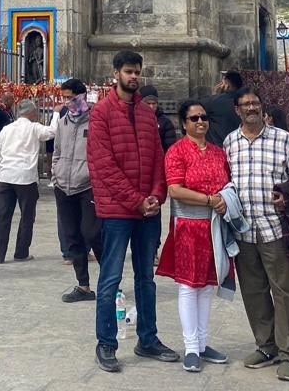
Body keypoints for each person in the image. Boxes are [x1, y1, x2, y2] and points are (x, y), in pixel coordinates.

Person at [87, 50, 176, 373]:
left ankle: (148, 339)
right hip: (117, 211)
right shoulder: (100, 114)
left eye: (137, 71)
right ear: (116, 74)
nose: (134, 76)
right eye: (128, 71)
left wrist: (155, 195)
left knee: (146, 279)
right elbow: (103, 166)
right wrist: (135, 199)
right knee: (110, 278)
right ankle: (106, 343)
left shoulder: (146, 114)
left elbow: (157, 158)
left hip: (146, 211)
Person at [223, 86, 289, 381]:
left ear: (262, 107)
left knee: (284, 291)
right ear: (237, 110)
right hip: (244, 231)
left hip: (275, 227)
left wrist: (286, 195)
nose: (251, 108)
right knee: (254, 291)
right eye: (245, 104)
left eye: (255, 103)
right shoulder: (230, 142)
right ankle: (266, 346)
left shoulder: (282, 139)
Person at [156, 100, 231, 373]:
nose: (200, 122)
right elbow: (174, 189)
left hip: (214, 227)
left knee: (208, 285)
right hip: (188, 225)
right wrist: (210, 200)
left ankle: (202, 343)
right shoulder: (176, 152)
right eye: (194, 118)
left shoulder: (217, 152)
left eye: (203, 117)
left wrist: (223, 200)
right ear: (183, 123)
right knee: (189, 285)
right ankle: (190, 347)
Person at [50, 77, 102, 303]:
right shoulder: (63, 121)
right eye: (64, 98)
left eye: (71, 97)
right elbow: (57, 151)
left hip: (87, 185)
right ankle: (83, 286)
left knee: (92, 232)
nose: (67, 102)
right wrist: (56, 173)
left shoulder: (97, 121)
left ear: (82, 96)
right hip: (64, 185)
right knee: (72, 236)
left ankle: (110, 279)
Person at [0, 98, 53, 263]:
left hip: (5, 176)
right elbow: (51, 132)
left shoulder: (7, 128)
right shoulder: (34, 128)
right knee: (27, 215)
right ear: (31, 113)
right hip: (26, 177)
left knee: (0, 216)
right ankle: (21, 252)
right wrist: (58, 113)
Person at [202, 70, 244, 147]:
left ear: (227, 84)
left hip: (219, 148)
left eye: (222, 83)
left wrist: (214, 96)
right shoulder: (246, 101)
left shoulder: (214, 102)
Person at [139, 85, 178, 151]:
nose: (151, 107)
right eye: (148, 103)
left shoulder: (165, 122)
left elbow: (170, 147)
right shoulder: (135, 119)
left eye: (154, 103)